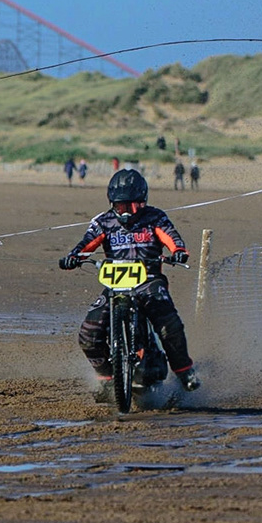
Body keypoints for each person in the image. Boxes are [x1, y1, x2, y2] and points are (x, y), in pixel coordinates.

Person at [57, 169, 201, 397]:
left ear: (143, 202)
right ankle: (106, 379)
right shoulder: (103, 221)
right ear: (112, 203)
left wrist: (179, 251)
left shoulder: (155, 217)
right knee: (88, 333)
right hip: (115, 283)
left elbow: (171, 238)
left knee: (168, 324)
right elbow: (85, 245)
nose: (127, 212)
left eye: (134, 206)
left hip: (149, 280)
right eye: (121, 206)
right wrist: (73, 257)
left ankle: (184, 371)